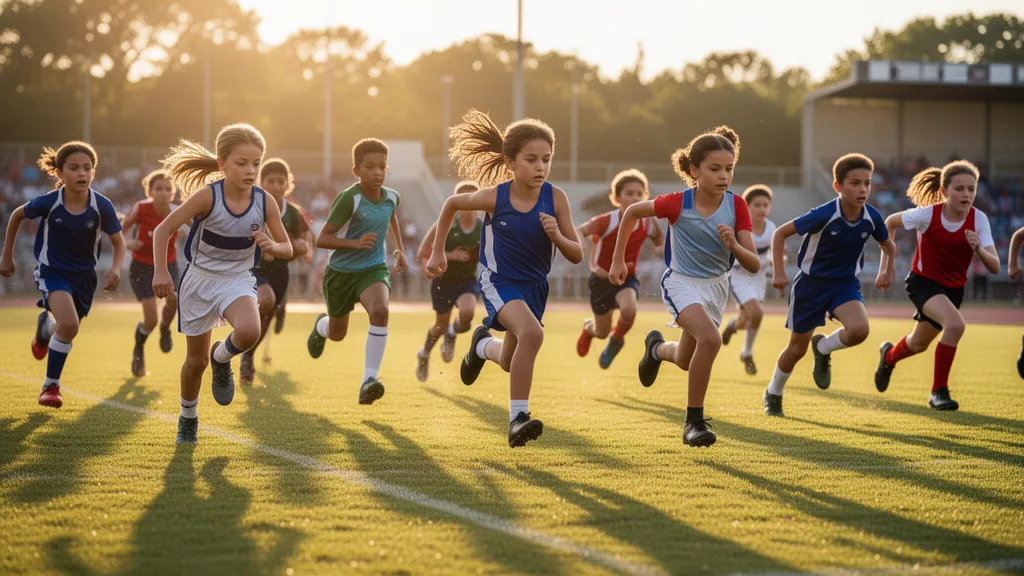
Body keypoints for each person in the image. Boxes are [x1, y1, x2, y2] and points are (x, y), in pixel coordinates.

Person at [426, 109, 583, 448]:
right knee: (532, 333)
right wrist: (437, 251)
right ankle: (517, 418)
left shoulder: (556, 198)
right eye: (531, 159)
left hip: (535, 287)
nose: (540, 167)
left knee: (511, 361)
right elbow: (453, 202)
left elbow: (577, 253)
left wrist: (557, 237)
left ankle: (481, 346)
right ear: (510, 162)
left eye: (546, 159)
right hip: (499, 282)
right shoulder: (495, 197)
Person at [610, 126, 758, 447]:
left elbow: (753, 264)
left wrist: (733, 245)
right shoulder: (677, 203)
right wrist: (619, 260)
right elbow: (634, 211)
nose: (724, 176)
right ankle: (693, 422)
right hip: (681, 283)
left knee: (685, 359)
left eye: (729, 169)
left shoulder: (738, 207)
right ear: (694, 170)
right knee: (711, 338)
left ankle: (656, 349)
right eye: (714, 169)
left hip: (716, 288)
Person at [153, 123, 293, 444]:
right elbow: (163, 230)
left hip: (237, 279)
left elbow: (288, 247)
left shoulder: (265, 201)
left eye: (256, 163)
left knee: (249, 331)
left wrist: (272, 246)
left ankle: (222, 357)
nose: (251, 170)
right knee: (195, 362)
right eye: (242, 163)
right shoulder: (208, 198)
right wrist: (161, 272)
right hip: (199, 281)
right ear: (222, 164)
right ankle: (188, 418)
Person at [764, 153, 896, 418]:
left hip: (844, 284)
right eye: (855, 183)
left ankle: (823, 347)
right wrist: (779, 272)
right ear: (838, 187)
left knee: (859, 330)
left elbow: (888, 245)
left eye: (867, 183)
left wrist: (887, 271)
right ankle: (774, 393)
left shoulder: (872, 217)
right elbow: (780, 234)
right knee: (796, 348)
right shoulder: (824, 213)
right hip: (810, 285)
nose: (862, 189)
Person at [0, 141, 126, 408]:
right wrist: (7, 255)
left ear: (94, 172)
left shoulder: (101, 205)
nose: (82, 173)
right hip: (52, 272)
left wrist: (115, 268)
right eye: (74, 168)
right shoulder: (50, 202)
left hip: (84, 278)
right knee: (70, 324)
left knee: (66, 328)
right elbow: (16, 216)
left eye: (87, 168)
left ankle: (46, 330)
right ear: (59, 173)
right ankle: (51, 387)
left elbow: (119, 242)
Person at [874, 161, 999, 410]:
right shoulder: (927, 214)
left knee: (918, 343)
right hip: (923, 282)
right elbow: (889, 222)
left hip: (953, 290)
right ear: (944, 191)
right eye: (959, 189)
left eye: (971, 189)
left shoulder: (979, 219)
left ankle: (888, 357)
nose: (966, 195)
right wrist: (886, 268)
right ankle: (938, 392)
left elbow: (994, 265)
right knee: (955, 325)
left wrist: (977, 249)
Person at [306, 138, 408, 405]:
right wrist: (354, 243)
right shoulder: (349, 199)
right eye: (370, 166)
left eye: (382, 167)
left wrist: (398, 250)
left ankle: (368, 380)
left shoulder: (392, 197)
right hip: (340, 273)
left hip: (373, 269)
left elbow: (392, 215)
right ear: (356, 171)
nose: (377, 172)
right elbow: (322, 240)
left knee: (381, 311)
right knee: (338, 334)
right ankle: (321, 326)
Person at [576, 169, 663, 369]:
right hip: (601, 280)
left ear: (646, 197)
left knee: (629, 309)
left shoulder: (647, 222)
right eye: (629, 193)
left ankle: (617, 340)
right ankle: (589, 329)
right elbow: (580, 231)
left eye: (639, 194)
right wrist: (581, 241)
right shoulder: (607, 220)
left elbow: (659, 241)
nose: (635, 197)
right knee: (601, 332)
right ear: (616, 198)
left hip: (627, 278)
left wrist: (660, 243)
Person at [239, 158, 312, 384]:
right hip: (255, 268)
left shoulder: (294, 212)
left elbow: (304, 239)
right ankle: (246, 337)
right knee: (267, 301)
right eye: (271, 181)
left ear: (288, 184)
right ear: (261, 182)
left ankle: (248, 355)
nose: (277, 186)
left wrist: (301, 248)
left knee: (267, 316)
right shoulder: (252, 207)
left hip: (280, 271)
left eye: (281, 181)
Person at [414, 180, 482, 382]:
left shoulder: (484, 227)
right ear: (457, 202)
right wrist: (448, 256)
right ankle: (424, 354)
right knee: (439, 326)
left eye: (474, 199)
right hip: (443, 281)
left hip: (466, 280)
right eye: (465, 200)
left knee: (468, 313)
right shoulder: (445, 223)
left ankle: (452, 334)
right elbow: (423, 252)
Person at [120, 169, 183, 376]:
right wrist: (129, 244)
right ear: (149, 191)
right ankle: (139, 350)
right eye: (158, 188)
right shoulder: (141, 208)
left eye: (168, 189)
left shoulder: (177, 211)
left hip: (168, 265)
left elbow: (197, 231)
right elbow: (118, 231)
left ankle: (166, 328)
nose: (163, 193)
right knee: (150, 320)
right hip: (141, 268)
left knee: (174, 300)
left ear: (172, 193)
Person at [720, 184, 778, 375]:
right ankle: (747, 352)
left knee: (745, 321)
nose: (762, 209)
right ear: (747, 206)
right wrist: (762, 262)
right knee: (758, 313)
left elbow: (773, 253)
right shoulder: (740, 228)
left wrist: (776, 260)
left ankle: (732, 325)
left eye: (766, 205)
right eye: (757, 205)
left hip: (758, 280)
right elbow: (735, 256)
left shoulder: (771, 228)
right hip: (740, 278)